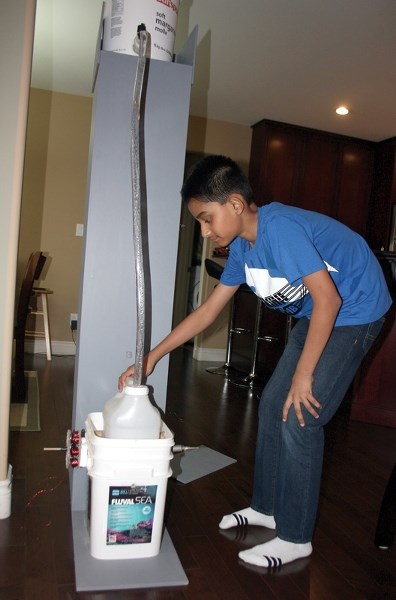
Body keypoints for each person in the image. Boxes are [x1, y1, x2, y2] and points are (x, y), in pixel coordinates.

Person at [119, 155, 392, 568]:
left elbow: (330, 299)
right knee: (271, 406)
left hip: (356, 310)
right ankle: (266, 509)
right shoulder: (244, 249)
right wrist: (151, 358)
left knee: (301, 414)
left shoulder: (279, 230)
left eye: (206, 219)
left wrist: (304, 377)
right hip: (318, 314)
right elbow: (207, 312)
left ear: (234, 203)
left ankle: (296, 537)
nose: (204, 231)